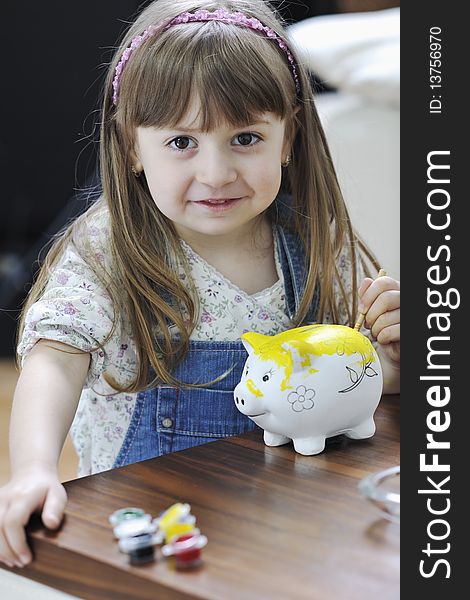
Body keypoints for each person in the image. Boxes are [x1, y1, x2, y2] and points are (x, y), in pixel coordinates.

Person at [0, 0, 400, 569]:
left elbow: (351, 379)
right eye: (182, 142)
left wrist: (394, 361)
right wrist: (34, 470)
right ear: (133, 147)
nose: (215, 174)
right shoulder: (108, 251)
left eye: (245, 139)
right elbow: (53, 361)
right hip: (155, 539)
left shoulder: (315, 244)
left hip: (291, 525)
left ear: (288, 138)